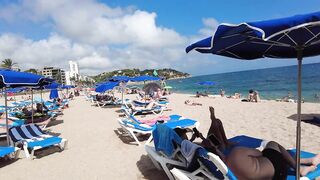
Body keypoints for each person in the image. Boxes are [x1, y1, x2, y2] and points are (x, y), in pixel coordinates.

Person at [193, 107, 320, 180]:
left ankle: (305, 161)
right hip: (279, 174)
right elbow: (260, 153)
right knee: (273, 145)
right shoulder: (238, 152)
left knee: (270, 157)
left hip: (267, 175)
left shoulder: (223, 168)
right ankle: (300, 169)